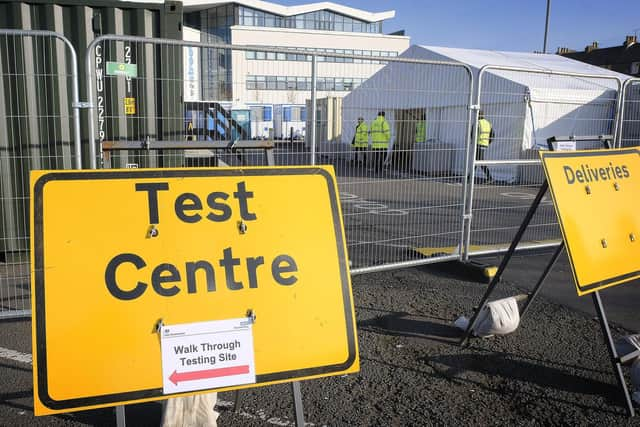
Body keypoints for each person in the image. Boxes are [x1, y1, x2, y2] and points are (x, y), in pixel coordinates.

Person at [475, 109, 494, 183]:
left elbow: (472, 134)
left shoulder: (477, 123)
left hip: (477, 144)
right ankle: (469, 176)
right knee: (477, 161)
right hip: (484, 144)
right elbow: (492, 135)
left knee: (479, 161)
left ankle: (490, 177)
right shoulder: (488, 123)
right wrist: (487, 142)